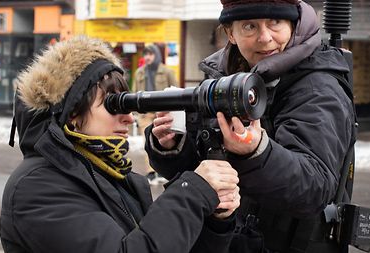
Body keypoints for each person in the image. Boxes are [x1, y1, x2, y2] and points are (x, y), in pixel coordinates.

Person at [144, 0, 357, 252]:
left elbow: (314, 188)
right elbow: (201, 168)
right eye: (250, 26)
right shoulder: (223, 79)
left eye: (275, 23)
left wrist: (258, 151)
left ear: (293, 24)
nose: (265, 38)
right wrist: (172, 144)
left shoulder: (318, 87)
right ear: (230, 33)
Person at [0, 36, 240, 253]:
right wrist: (192, 193)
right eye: (112, 106)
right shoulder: (37, 188)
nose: (128, 117)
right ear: (72, 113)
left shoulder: (109, 174)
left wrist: (214, 219)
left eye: (126, 106)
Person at [133, 44, 178, 185]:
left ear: (157, 55)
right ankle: (151, 172)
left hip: (162, 113)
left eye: (150, 54)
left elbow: (175, 90)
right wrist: (135, 113)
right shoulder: (139, 72)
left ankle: (165, 170)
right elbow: (134, 92)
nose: (147, 57)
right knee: (149, 142)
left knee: (165, 141)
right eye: (145, 54)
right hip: (145, 114)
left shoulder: (167, 71)